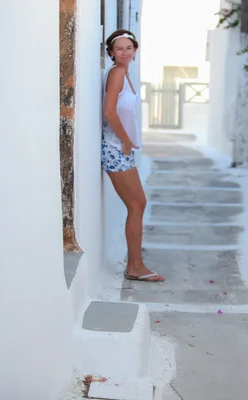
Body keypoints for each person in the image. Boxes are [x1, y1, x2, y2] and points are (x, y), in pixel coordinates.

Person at [102, 29, 164, 282]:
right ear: (111, 53)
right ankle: (135, 267)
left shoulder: (126, 74)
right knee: (136, 205)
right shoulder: (116, 73)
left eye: (129, 48)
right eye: (119, 49)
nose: (125, 52)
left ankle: (135, 265)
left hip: (121, 149)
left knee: (138, 204)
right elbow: (109, 112)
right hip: (115, 149)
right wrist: (125, 140)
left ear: (135, 50)